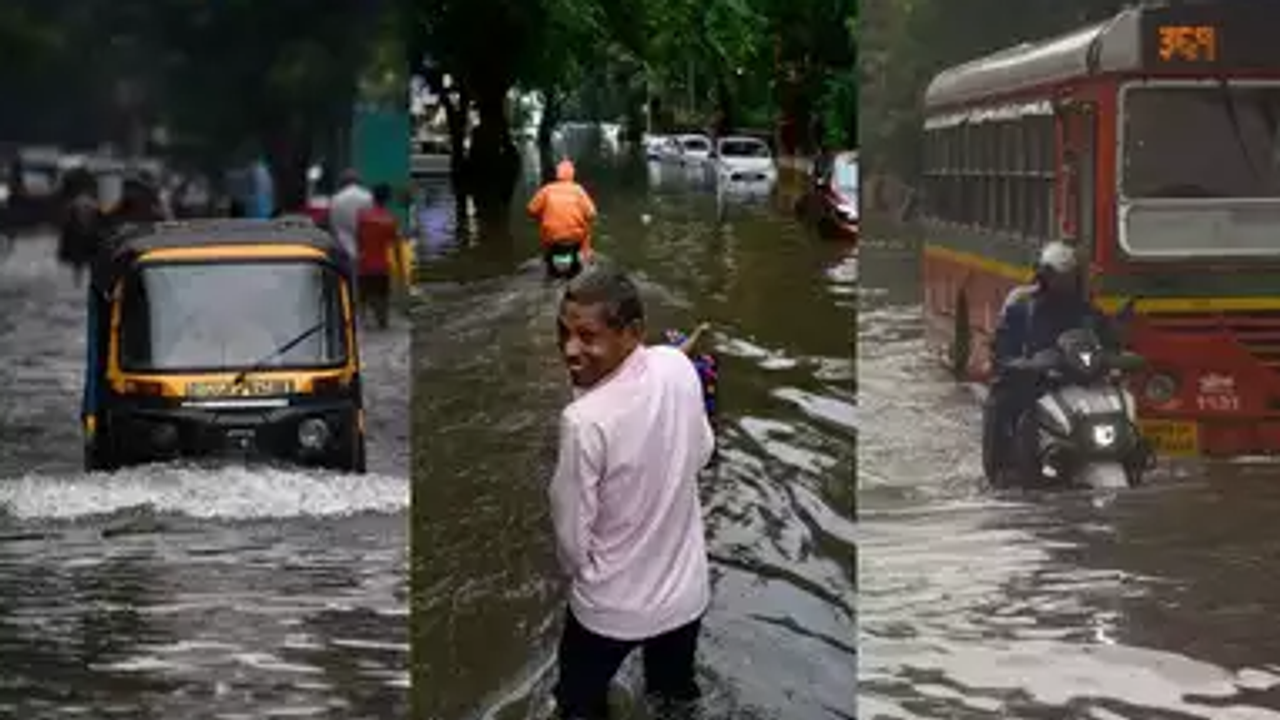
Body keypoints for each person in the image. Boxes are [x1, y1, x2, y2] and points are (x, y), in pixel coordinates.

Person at [549, 265, 714, 720]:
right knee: (674, 698)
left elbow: (572, 542)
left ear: (633, 333)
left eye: (587, 336)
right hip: (686, 597)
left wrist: (593, 575)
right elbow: (701, 452)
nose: (570, 350)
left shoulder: (583, 423)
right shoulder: (679, 366)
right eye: (564, 333)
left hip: (610, 610)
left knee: (577, 705)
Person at [983, 240, 1118, 480]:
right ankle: (1003, 472)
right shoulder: (1022, 310)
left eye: (1069, 277)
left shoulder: (1087, 311)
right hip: (1036, 385)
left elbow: (1108, 341)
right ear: (1044, 276)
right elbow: (1002, 349)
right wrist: (1018, 363)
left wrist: (1115, 355)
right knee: (1002, 401)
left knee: (1120, 405)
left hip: (1079, 384)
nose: (1063, 283)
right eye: (1058, 277)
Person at [527, 159, 597, 277]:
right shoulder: (578, 190)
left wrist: (542, 216)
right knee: (587, 226)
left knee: (545, 227)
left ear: (557, 174)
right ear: (572, 174)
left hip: (551, 238)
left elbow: (530, 210)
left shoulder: (547, 189)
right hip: (574, 239)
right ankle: (577, 261)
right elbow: (592, 214)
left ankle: (551, 263)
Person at [355, 183, 399, 330]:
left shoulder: (362, 217)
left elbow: (357, 240)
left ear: (372, 198)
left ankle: (364, 322)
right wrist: (399, 268)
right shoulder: (390, 219)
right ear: (387, 199)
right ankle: (382, 321)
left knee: (363, 298)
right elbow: (395, 246)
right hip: (382, 266)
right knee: (382, 298)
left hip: (364, 265)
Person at [58, 167, 102, 287]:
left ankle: (78, 280)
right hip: (87, 235)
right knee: (89, 259)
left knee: (79, 262)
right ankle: (85, 280)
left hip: (79, 235)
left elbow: (66, 222)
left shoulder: (75, 203)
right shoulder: (92, 202)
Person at [329, 168, 374, 262]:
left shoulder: (336, 198)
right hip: (365, 249)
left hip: (343, 247)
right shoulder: (368, 196)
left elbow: (333, 225)